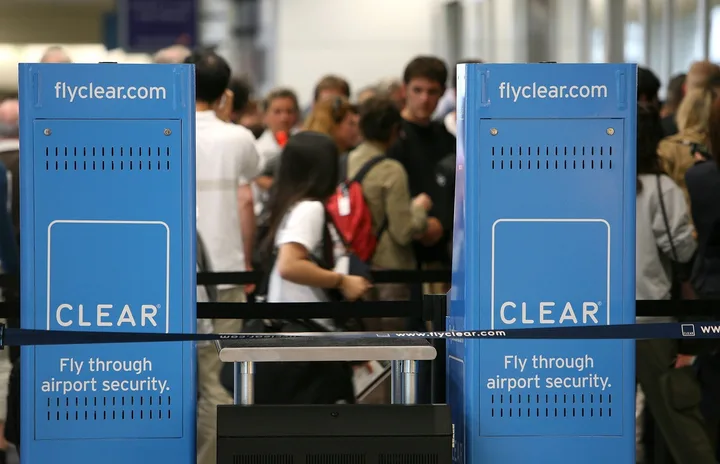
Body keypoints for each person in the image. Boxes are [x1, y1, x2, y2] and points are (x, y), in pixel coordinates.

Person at [185, 49, 261, 464]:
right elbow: (247, 192)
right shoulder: (238, 137)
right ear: (225, 93)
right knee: (217, 378)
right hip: (226, 274)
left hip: (173, 277)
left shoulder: (167, 130)